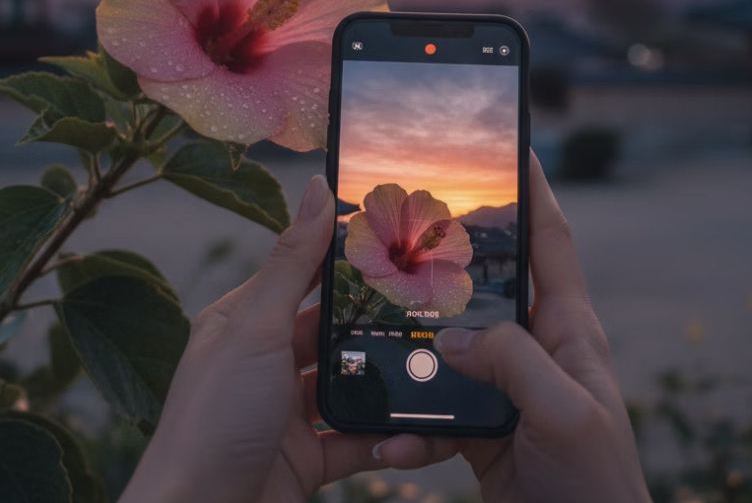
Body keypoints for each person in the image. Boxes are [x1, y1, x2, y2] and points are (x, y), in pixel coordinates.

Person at [120, 154, 652, 503]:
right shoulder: (380, 241)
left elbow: (431, 282)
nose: (424, 241)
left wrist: (189, 482)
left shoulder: (430, 265)